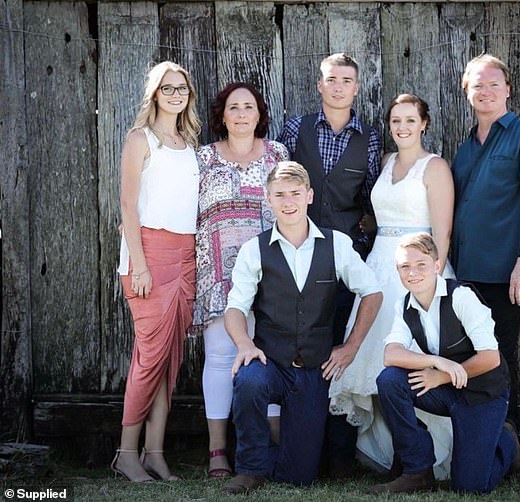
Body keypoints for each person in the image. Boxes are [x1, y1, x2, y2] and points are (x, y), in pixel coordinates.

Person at [222, 161, 382, 494]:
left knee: (299, 477)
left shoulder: (336, 244)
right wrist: (244, 345)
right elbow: (236, 307)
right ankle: (251, 468)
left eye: (295, 193)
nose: (288, 201)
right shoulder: (255, 249)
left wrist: (351, 347)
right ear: (268, 199)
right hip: (271, 361)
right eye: (279, 194)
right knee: (248, 381)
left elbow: (372, 292)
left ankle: (283, 462)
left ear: (309, 196)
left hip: (314, 369)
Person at [329, 94, 455, 476]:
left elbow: (442, 232)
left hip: (418, 269)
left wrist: (430, 279)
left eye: (410, 120)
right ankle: (392, 449)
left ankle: (430, 451)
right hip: (381, 267)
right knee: (374, 360)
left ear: (424, 124)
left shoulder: (435, 168)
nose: (402, 127)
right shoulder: (384, 163)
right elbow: (379, 214)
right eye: (395, 121)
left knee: (414, 358)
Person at [277, 52, 381, 476]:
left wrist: (359, 241)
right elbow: (280, 185)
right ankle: (300, 448)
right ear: (320, 85)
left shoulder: (370, 137)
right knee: (299, 349)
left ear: (356, 88)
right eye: (331, 79)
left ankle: (338, 455)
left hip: (341, 261)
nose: (338, 86)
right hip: (294, 258)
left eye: (346, 80)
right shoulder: (296, 128)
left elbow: (373, 200)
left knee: (339, 351)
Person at [370, 233, 520, 495]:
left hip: (482, 393)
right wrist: (436, 362)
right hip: (446, 390)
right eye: (405, 267)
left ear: (436, 264)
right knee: (390, 380)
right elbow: (391, 354)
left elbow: (491, 357)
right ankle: (417, 470)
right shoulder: (404, 305)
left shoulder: (461, 297)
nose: (413, 273)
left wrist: (441, 377)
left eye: (421, 265)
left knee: (470, 488)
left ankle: (509, 444)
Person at [451, 54, 520, 428]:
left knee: (499, 359)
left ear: (508, 90)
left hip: (505, 273)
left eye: (495, 84)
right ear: (467, 92)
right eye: (478, 84)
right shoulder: (465, 148)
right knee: (472, 357)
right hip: (465, 274)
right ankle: (478, 442)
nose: (487, 91)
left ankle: (507, 448)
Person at [192, 82, 288, 478]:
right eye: (234, 107)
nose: (242, 114)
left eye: (249, 106)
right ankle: (218, 451)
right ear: (223, 115)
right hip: (217, 272)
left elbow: (289, 203)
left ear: (259, 113)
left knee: (269, 353)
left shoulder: (278, 154)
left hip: (269, 271)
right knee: (219, 356)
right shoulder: (203, 159)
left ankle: (274, 445)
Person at [111, 61, 201, 482]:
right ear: (154, 94)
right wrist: (141, 266)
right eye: (167, 88)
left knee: (169, 360)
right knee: (149, 358)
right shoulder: (139, 139)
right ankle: (126, 453)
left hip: (185, 256)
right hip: (147, 255)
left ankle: (155, 454)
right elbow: (128, 206)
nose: (175, 94)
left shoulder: (188, 141)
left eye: (181, 88)